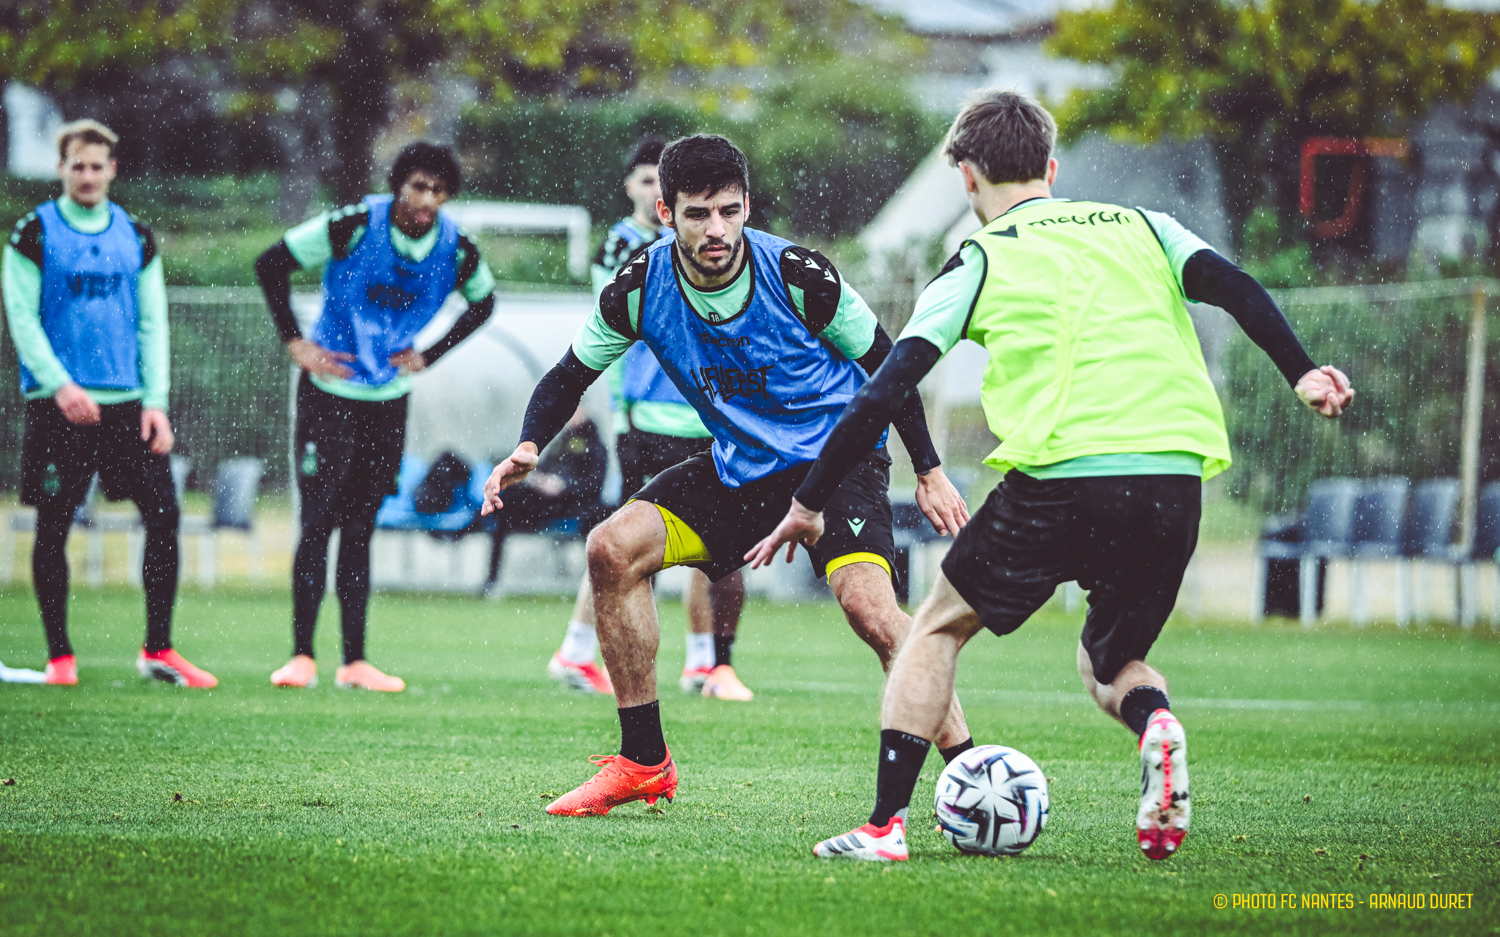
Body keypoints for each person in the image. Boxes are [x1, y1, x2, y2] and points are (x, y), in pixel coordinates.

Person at [746, 91, 1354, 862]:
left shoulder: (980, 258)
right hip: (1172, 475)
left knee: (934, 627)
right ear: (1052, 170)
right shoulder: (1144, 226)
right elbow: (1236, 287)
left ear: (967, 177)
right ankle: (1156, 723)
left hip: (1065, 470)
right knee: (1109, 663)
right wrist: (1301, 370)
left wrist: (808, 500)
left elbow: (885, 386)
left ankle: (884, 826)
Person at [482, 133, 975, 817]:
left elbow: (888, 365)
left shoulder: (799, 274)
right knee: (611, 549)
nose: (716, 229)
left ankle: (973, 771)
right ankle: (642, 762)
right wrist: (530, 444)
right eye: (697, 214)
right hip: (740, 469)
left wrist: (928, 468)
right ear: (665, 213)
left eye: (729, 211)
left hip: (839, 463)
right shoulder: (640, 285)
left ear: (746, 205)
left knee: (869, 609)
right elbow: (569, 374)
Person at [254, 141, 497, 692]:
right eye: (418, 187)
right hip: (328, 392)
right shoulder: (355, 224)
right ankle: (301, 656)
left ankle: (355, 661)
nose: (427, 200)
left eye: (438, 190)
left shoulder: (457, 249)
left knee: (361, 525)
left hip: (387, 400)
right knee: (317, 521)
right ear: (398, 187)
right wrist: (296, 342)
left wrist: (429, 355)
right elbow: (271, 263)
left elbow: (484, 303)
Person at [2, 120, 215, 688]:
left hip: (127, 406)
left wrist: (156, 401)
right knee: (53, 525)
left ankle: (158, 649)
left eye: (97, 166)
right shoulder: (33, 233)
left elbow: (152, 322)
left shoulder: (136, 236)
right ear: (61, 168)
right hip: (60, 405)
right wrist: (60, 384)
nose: (88, 175)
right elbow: (21, 316)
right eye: (78, 165)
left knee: (164, 516)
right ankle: (60, 658)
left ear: (112, 170)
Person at [547, 135, 751, 702]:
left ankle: (704, 663)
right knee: (633, 548)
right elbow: (619, 323)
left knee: (711, 543)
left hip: (704, 416)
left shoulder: (704, 244)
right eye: (644, 180)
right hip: (647, 417)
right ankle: (577, 649)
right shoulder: (627, 248)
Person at [483, 408, 611, 590]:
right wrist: (538, 480)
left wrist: (564, 486)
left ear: (584, 410)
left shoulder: (595, 445)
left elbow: (594, 485)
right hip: (546, 502)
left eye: (575, 409)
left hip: (573, 504)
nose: (571, 415)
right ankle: (492, 581)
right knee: (508, 500)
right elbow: (543, 466)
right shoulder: (561, 441)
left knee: (595, 516)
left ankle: (600, 584)